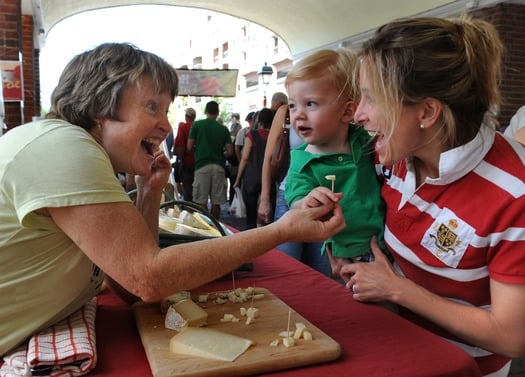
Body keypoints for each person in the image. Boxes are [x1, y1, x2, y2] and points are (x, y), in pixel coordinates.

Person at [0, 42, 345, 357]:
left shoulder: (68, 145)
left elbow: (129, 286)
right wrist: (279, 232)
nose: (165, 125)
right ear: (97, 106)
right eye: (152, 107)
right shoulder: (65, 148)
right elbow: (147, 279)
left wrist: (149, 194)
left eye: (166, 110)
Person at [325, 17, 525, 376]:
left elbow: (511, 337)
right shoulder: (397, 156)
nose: (358, 115)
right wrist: (344, 249)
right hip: (393, 341)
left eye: (372, 99)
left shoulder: (514, 195)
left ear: (427, 112)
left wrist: (396, 289)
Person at [284, 48, 388, 279]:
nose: (298, 114)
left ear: (348, 111)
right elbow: (296, 200)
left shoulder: (364, 140)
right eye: (292, 105)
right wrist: (308, 202)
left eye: (310, 103)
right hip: (348, 255)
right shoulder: (302, 162)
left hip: (388, 247)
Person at [258, 105, 332, 276]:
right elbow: (268, 158)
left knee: (320, 274)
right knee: (286, 270)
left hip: (324, 200)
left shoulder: (331, 104)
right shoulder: (285, 111)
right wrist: (265, 199)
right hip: (289, 196)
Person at [187, 101, 233, 220]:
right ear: (217, 112)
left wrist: (200, 150)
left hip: (202, 166)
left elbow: (189, 146)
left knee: (201, 202)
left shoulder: (197, 125)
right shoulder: (223, 129)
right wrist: (221, 155)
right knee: (215, 203)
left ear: (206, 111)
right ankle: (215, 229)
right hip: (218, 167)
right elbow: (230, 151)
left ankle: (204, 229)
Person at [234, 108, 275, 229]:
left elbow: (245, 157)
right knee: (268, 216)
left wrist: (238, 178)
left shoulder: (252, 135)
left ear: (259, 120)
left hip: (252, 178)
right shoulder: (275, 136)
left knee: (250, 216)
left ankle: (251, 238)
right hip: (269, 178)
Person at [174, 107, 197, 202]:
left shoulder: (183, 126)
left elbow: (179, 145)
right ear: (194, 117)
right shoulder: (198, 126)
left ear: (186, 116)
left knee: (188, 191)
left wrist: (179, 161)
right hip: (198, 163)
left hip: (186, 163)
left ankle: (189, 212)